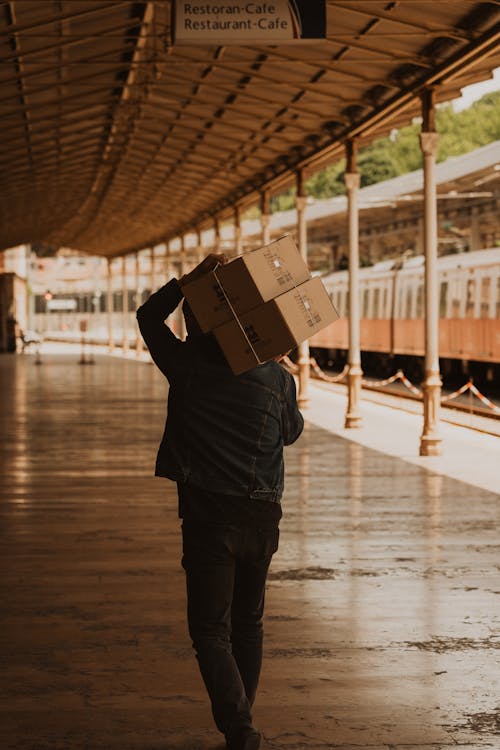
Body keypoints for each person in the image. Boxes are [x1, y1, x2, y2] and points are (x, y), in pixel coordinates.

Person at [136, 254, 304, 750]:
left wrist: (184, 283)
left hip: (209, 518)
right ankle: (241, 729)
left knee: (211, 631)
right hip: (261, 518)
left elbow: (147, 318)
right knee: (247, 623)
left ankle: (240, 729)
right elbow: (291, 433)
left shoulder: (186, 364)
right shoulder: (276, 378)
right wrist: (282, 373)